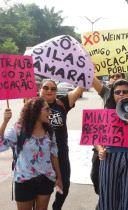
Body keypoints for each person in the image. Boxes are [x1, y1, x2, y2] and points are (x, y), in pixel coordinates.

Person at [93, 78, 128, 210]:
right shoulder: (108, 111)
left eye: (125, 91)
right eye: (117, 92)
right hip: (109, 158)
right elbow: (96, 137)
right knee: (107, 197)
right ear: (113, 94)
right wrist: (100, 149)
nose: (121, 94)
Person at [0, 98, 63, 210]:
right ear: (36, 111)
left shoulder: (49, 131)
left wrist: (59, 178)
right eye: (47, 109)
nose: (50, 112)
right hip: (24, 180)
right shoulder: (18, 129)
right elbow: (1, 145)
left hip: (46, 179)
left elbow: (54, 155)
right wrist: (5, 122)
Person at [39, 79, 84, 210]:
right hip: (40, 155)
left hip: (61, 153)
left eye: (53, 89)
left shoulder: (62, 103)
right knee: (42, 189)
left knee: (64, 185)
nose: (49, 91)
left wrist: (87, 71)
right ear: (40, 89)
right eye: (46, 87)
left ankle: (56, 207)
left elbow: (80, 89)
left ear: (56, 92)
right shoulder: (34, 104)